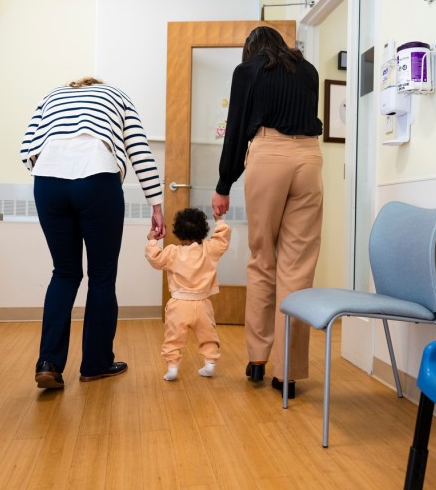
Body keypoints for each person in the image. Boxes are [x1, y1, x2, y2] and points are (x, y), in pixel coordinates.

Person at [21, 77, 166, 389]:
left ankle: (49, 363)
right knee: (101, 275)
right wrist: (156, 204)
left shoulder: (52, 95)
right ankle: (96, 363)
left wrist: (50, 169)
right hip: (97, 176)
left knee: (64, 273)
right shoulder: (118, 94)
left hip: (48, 178)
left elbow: (26, 146)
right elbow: (139, 150)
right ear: (97, 86)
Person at [211, 26, 323, 399]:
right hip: (310, 157)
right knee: (298, 268)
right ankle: (287, 373)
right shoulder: (307, 70)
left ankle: (257, 359)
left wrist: (224, 184)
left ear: (251, 49)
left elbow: (236, 131)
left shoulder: (248, 71)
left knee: (262, 259)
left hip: (268, 153)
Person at [145, 207, 230, 381]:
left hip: (179, 305)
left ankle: (172, 368)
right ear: (203, 232)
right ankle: (210, 364)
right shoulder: (209, 249)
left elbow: (155, 259)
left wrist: (152, 241)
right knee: (208, 336)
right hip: (203, 305)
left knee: (173, 337)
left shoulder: (172, 252)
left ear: (178, 233)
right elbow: (222, 240)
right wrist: (219, 220)